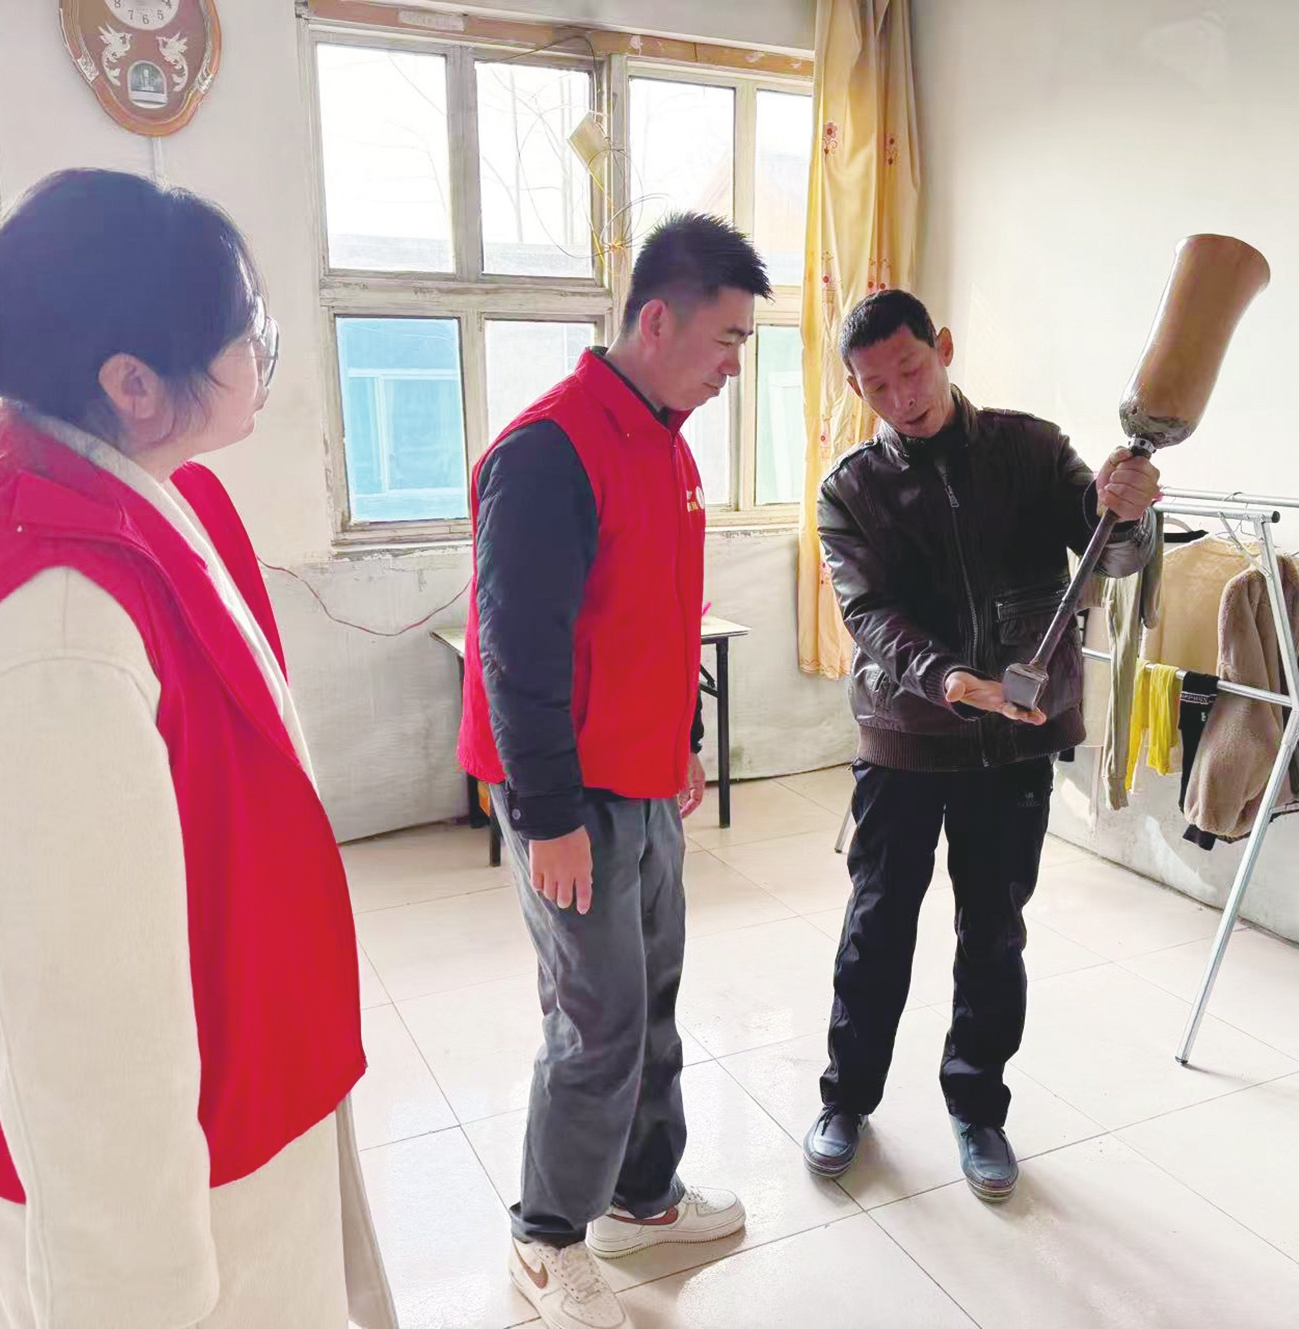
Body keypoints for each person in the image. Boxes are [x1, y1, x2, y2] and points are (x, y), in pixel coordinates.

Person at [0, 169, 395, 1328]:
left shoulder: (153, 502)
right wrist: (133, 1299)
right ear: (130, 384)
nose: (258, 350)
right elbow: (85, 1043)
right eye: (240, 329)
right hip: (181, 1197)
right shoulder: (55, 620)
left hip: (248, 1090)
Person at [457, 213, 771, 1329]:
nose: (734, 366)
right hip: (570, 793)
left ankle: (642, 1199)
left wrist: (681, 736)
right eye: (726, 340)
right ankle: (544, 1237)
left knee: (651, 1000)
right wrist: (545, 816)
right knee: (594, 1019)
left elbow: (658, 615)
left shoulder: (667, 444)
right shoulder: (550, 451)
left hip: (641, 777)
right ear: (657, 321)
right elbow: (515, 652)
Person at [802, 289, 1159, 1201]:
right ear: (855, 389)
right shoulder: (850, 488)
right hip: (905, 737)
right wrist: (946, 677)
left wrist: (1128, 510)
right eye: (875, 386)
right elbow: (866, 611)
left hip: (1012, 745)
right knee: (877, 925)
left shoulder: (1029, 449)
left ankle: (978, 1108)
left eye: (912, 370)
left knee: (994, 932)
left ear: (945, 348)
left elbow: (1110, 554)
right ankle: (846, 1098)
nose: (901, 397)